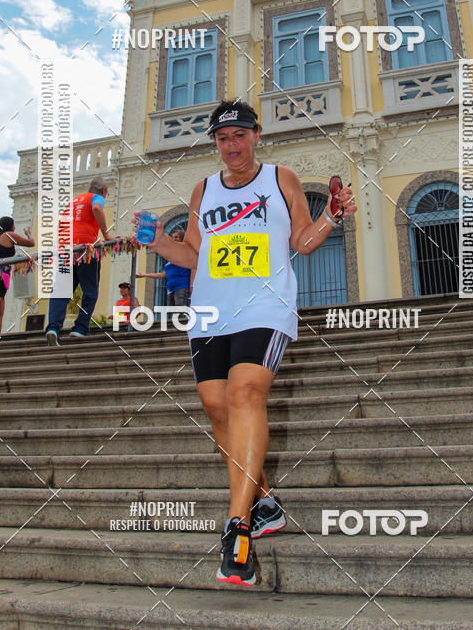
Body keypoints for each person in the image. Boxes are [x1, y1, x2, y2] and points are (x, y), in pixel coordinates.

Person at [135, 100, 355, 586]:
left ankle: (238, 531)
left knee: (245, 395)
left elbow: (301, 241)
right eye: (222, 138)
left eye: (239, 135)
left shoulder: (281, 178)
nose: (231, 145)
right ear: (215, 143)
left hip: (265, 305)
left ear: (256, 136)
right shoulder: (203, 189)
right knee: (217, 410)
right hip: (212, 311)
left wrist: (332, 216)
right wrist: (154, 242)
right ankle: (266, 503)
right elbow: (191, 254)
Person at [45, 177, 113, 346]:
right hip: (85, 249)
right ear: (103, 191)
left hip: (66, 250)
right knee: (90, 290)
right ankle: (79, 328)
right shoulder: (96, 198)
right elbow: (97, 208)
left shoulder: (74, 201)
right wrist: (106, 234)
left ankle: (53, 328)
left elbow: (61, 225)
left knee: (61, 291)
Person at [136, 227, 192, 323]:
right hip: (171, 290)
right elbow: (163, 275)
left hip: (182, 287)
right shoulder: (170, 256)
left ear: (182, 239)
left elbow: (193, 268)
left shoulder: (185, 252)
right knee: (176, 314)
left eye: (176, 237)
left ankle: (185, 332)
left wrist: (192, 285)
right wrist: (145, 274)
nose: (174, 239)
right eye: (172, 237)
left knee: (182, 312)